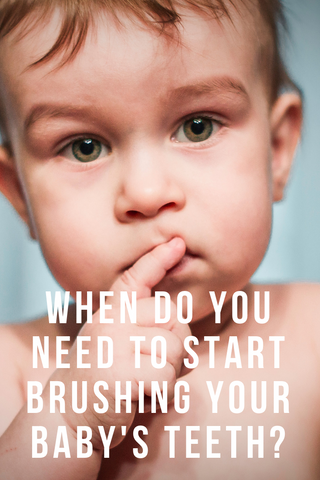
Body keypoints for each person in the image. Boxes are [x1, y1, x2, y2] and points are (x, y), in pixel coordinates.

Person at [0, 0, 319, 478]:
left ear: (276, 150)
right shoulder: (16, 369)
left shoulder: (312, 338)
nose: (147, 194)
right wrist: (69, 420)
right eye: (84, 147)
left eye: (198, 126)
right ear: (20, 196)